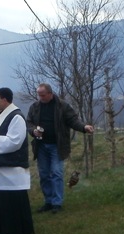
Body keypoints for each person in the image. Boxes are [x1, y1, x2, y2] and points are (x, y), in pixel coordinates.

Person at [26, 83, 94, 214]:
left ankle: (57, 203)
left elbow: (73, 121)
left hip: (57, 146)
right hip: (41, 146)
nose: (40, 98)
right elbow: (29, 122)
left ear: (50, 94)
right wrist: (34, 131)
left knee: (57, 173)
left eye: (43, 95)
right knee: (44, 175)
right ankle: (48, 201)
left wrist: (84, 128)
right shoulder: (34, 107)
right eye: (39, 95)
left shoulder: (62, 106)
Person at [0, 88, 34, 234]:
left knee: (12, 201)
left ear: (5, 100)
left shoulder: (16, 117)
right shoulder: (2, 116)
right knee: (2, 201)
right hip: (2, 167)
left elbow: (15, 142)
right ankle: (4, 231)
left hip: (13, 167)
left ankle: (14, 231)